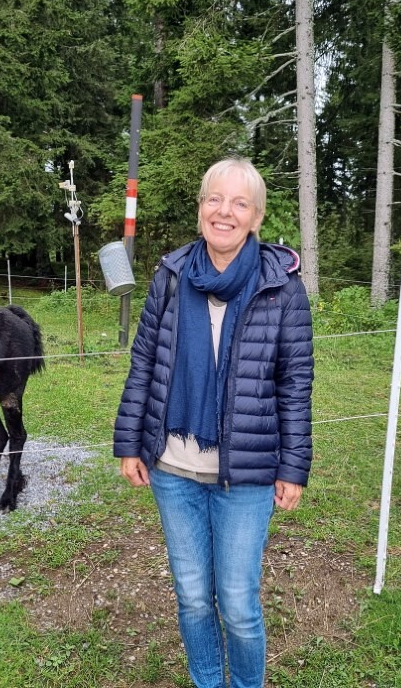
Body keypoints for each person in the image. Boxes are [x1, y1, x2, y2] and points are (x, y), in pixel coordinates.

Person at [113, 158, 314, 688]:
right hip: (173, 469)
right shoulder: (171, 276)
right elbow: (144, 364)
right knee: (194, 597)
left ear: (256, 217)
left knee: (240, 604)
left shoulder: (283, 287)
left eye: (239, 203)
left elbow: (295, 384)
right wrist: (129, 443)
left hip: (246, 473)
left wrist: (293, 466)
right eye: (214, 199)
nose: (225, 212)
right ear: (201, 207)